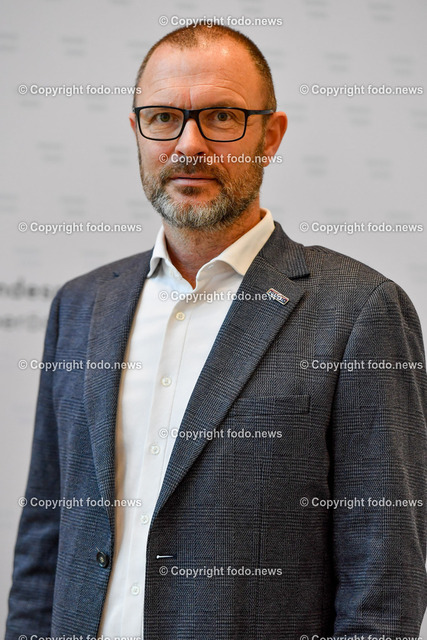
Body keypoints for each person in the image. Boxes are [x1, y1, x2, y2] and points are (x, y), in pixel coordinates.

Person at [6, 24, 427, 640]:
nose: (189, 145)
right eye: (163, 118)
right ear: (137, 132)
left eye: (222, 117)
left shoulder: (360, 311)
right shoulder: (82, 306)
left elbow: (383, 585)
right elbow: (44, 542)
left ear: (270, 136)